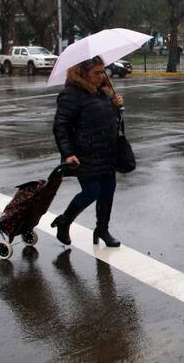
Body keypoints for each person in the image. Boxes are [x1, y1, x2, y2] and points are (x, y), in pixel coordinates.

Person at [52, 56, 125, 248]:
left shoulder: (104, 92)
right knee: (92, 191)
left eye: (103, 72)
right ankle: (64, 221)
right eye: (96, 73)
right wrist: (67, 153)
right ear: (83, 74)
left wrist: (117, 106)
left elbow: (109, 119)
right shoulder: (71, 94)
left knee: (108, 191)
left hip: (107, 152)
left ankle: (102, 230)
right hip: (84, 154)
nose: (102, 76)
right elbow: (61, 126)